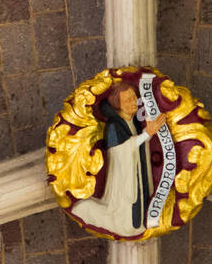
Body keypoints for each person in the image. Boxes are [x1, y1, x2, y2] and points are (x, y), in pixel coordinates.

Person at [69, 81, 167, 237]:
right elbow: (122, 151)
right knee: (125, 217)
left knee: (139, 208)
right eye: (127, 100)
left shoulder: (133, 122)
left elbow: (138, 145)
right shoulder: (114, 126)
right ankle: (88, 211)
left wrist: (147, 134)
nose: (133, 102)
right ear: (118, 104)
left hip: (138, 177)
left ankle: (138, 221)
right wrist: (147, 134)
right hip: (124, 181)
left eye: (134, 98)